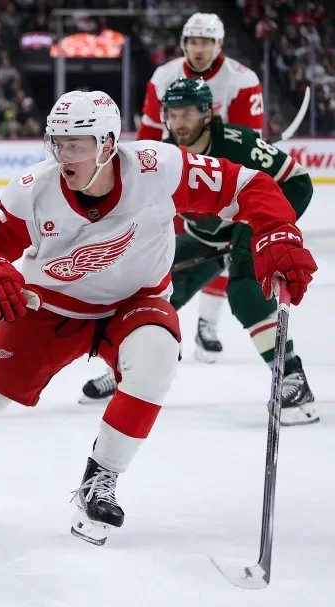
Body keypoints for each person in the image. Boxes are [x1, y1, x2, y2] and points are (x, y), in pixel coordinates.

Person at [0, 90, 316, 546]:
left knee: (156, 360)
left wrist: (277, 232)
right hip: (50, 309)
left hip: (135, 302)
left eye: (77, 144)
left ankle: (100, 480)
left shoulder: (158, 166)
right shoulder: (35, 189)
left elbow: (248, 184)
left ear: (107, 144)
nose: (64, 155)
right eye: (57, 142)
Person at [80, 78, 318, 425]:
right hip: (206, 236)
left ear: (207, 113)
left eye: (187, 113)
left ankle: (293, 379)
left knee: (246, 291)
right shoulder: (163, 154)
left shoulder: (238, 143)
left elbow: (298, 182)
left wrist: (268, 230)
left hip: (248, 225)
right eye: (173, 114)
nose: (179, 122)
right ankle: (130, 370)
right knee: (148, 289)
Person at [138, 12, 266, 361]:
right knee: (162, 257)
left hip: (218, 179)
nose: (199, 49)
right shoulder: (164, 76)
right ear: (184, 44)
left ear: (219, 45)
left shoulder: (241, 79)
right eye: (193, 41)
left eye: (206, 42)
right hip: (173, 177)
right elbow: (150, 133)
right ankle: (160, 327)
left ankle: (206, 326)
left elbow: (246, 143)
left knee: (219, 251)